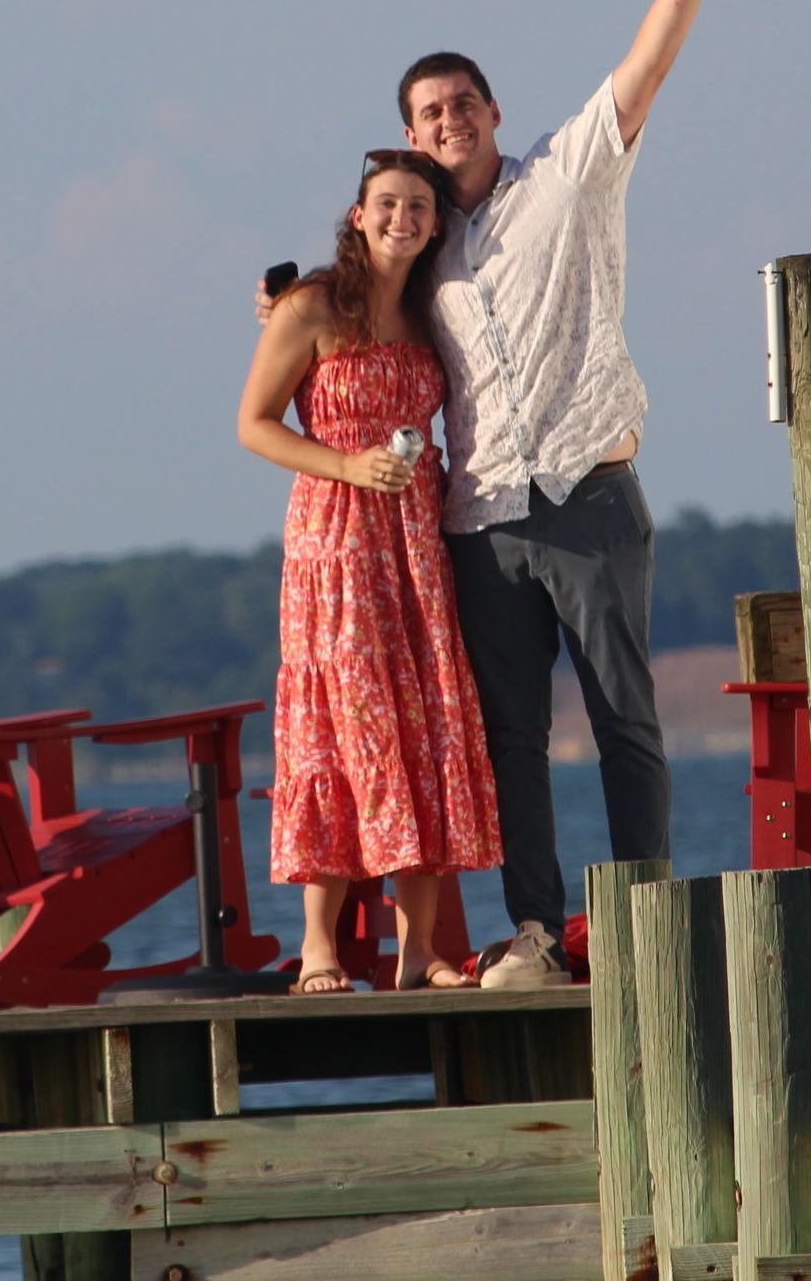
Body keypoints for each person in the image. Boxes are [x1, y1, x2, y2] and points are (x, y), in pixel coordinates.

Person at [257, 0, 738, 990]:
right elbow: (339, 323)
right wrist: (278, 301)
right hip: (475, 520)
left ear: (493, 111)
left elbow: (645, 65)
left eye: (461, 103)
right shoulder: (413, 252)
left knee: (625, 717)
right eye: (427, 115)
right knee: (507, 738)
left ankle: (646, 920)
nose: (448, 120)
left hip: (587, 495)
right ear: (408, 139)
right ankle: (532, 932)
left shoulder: (565, 180)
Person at [237, 150, 502, 994]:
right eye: (387, 203)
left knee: (421, 725)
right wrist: (347, 467)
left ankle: (417, 950)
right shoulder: (313, 306)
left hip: (416, 544)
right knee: (340, 728)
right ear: (358, 214)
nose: (403, 218)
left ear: (435, 222)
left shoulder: (432, 311)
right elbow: (254, 424)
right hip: (338, 542)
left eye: (419, 206)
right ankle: (318, 948)